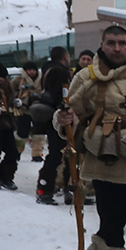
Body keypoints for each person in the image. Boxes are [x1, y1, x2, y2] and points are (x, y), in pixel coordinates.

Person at [54, 26, 126, 250]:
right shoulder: (86, 77)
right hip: (107, 164)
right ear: (102, 45)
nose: (117, 48)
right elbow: (68, 114)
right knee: (112, 223)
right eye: (111, 43)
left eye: (122, 43)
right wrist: (64, 121)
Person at [34, 47, 73, 204]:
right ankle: (45, 189)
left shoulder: (47, 70)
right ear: (65, 56)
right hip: (59, 119)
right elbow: (61, 95)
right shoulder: (59, 71)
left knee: (61, 154)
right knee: (58, 154)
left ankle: (64, 189)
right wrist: (66, 109)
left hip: (54, 118)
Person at [11, 62, 45, 161]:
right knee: (21, 133)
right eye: (29, 70)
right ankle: (17, 152)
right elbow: (11, 91)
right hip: (23, 110)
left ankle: (37, 154)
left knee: (38, 133)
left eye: (33, 70)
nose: (31, 72)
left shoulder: (42, 80)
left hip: (39, 109)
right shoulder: (18, 80)